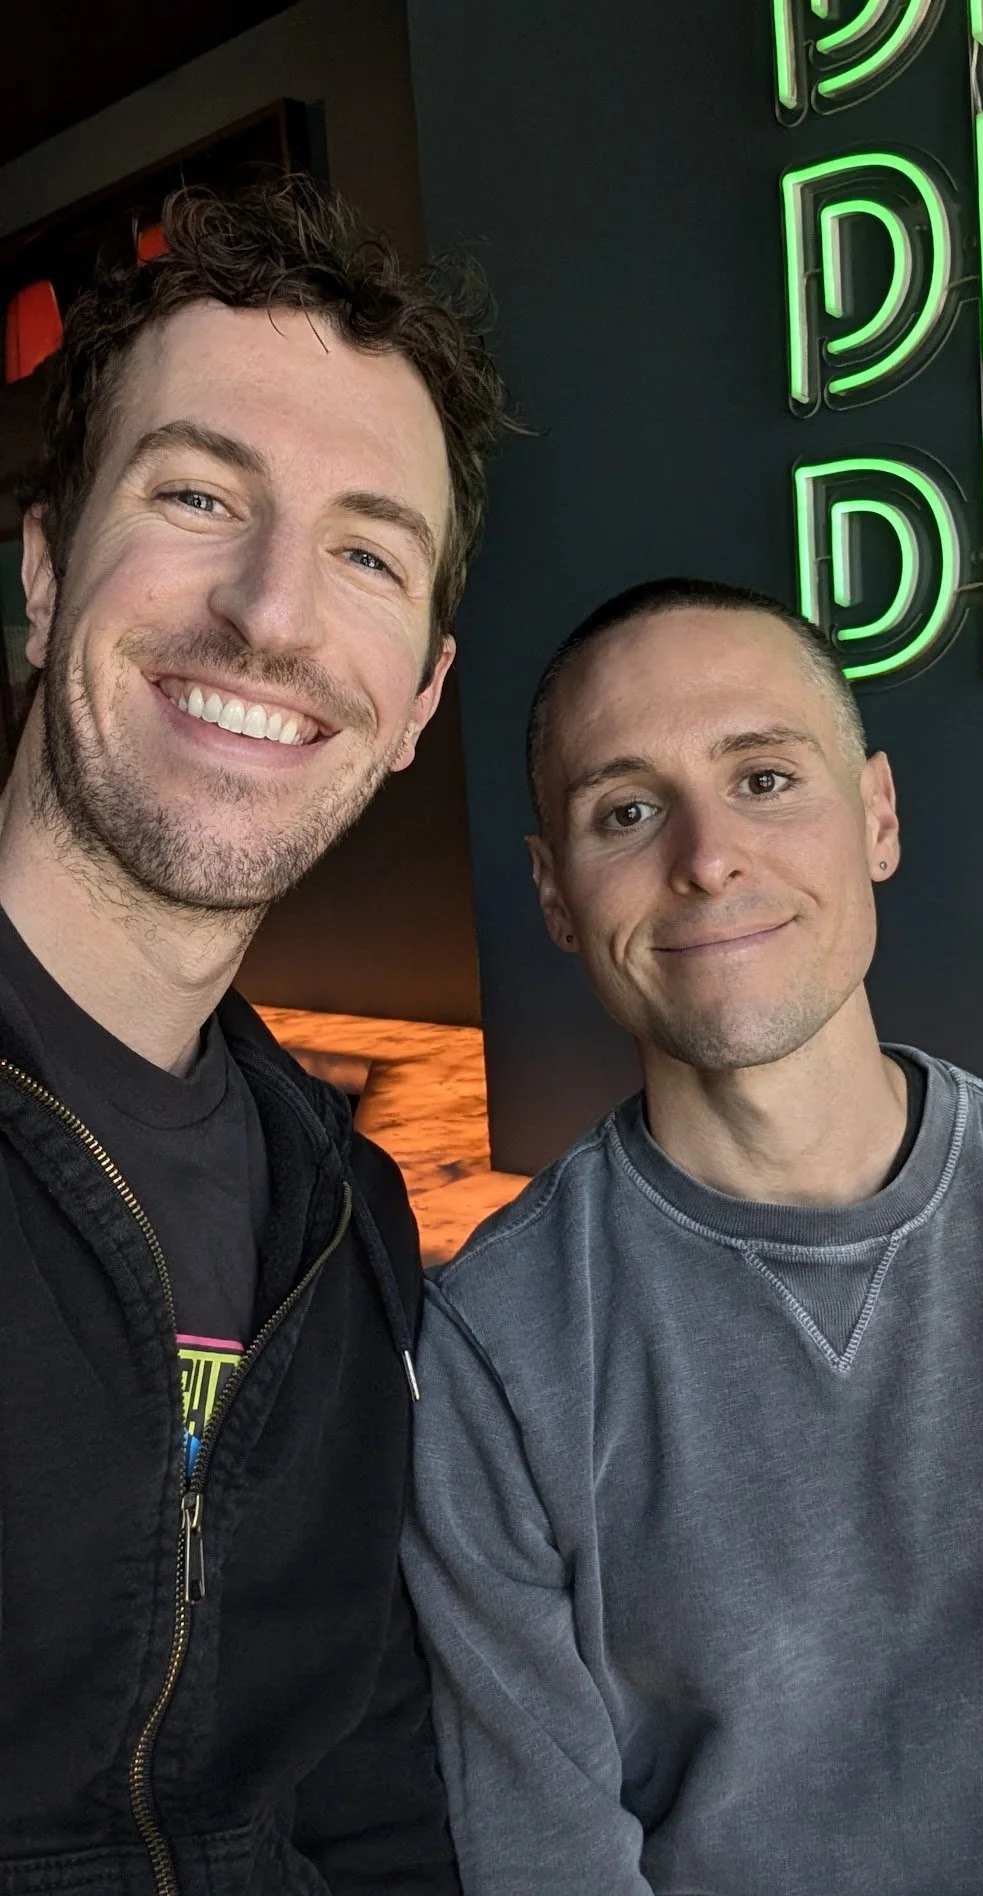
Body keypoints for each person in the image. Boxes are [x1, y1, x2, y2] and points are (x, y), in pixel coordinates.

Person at [403, 575, 983, 1896]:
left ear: (874, 815)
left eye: (763, 778)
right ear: (553, 892)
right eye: (627, 810)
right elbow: (547, 1865)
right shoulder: (494, 1348)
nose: (705, 857)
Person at [0, 173, 508, 1894]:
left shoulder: (350, 1224)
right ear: (47, 564)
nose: (275, 611)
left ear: (416, 704)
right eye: (200, 492)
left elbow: (364, 1795)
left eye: (368, 551)